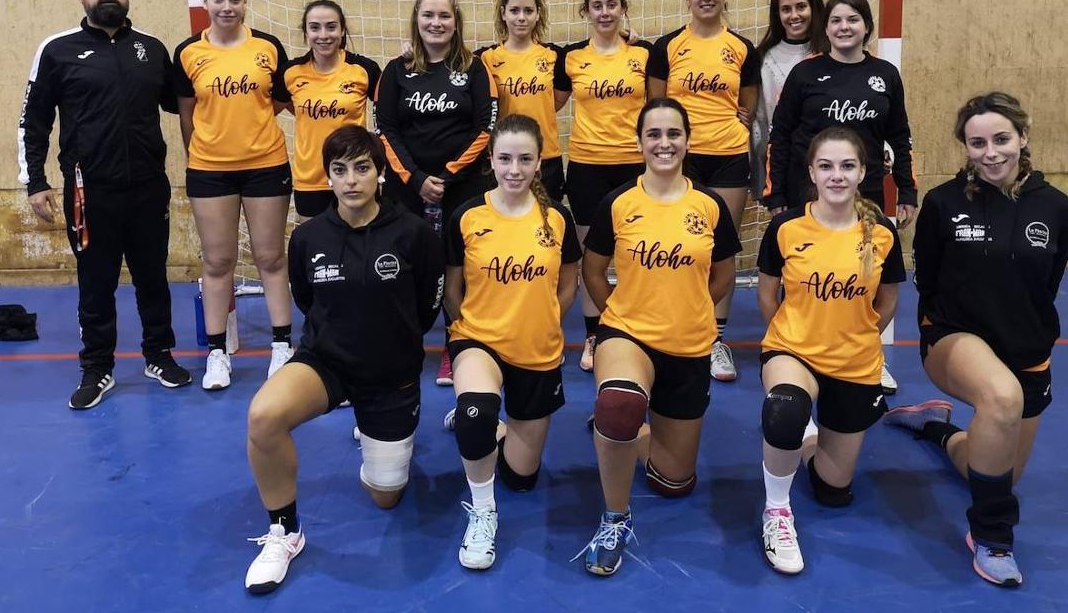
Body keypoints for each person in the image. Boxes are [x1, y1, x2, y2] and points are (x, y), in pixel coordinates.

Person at [243, 124, 444, 595]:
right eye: (339, 170)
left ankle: (378, 438)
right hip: (327, 363)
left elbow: (427, 307)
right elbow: (308, 301)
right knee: (263, 417)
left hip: (391, 374)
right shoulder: (308, 238)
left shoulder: (414, 234)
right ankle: (284, 531)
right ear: (327, 177)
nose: (351, 180)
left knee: (385, 496)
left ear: (380, 174)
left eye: (361, 168)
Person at [883, 92, 1068, 588]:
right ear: (965, 147)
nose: (991, 153)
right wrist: (950, 328)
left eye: (1001, 139)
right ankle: (992, 538)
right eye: (977, 143)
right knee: (1001, 397)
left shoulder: (1057, 206)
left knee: (990, 472)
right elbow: (928, 278)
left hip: (1026, 351)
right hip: (953, 336)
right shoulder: (944, 203)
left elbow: (1047, 283)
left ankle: (934, 428)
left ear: (1022, 137)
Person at [576, 98, 740, 576]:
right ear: (640, 143)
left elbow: (725, 274)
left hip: (689, 344)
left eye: (673, 134)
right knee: (620, 403)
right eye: (654, 134)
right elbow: (592, 270)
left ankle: (624, 429)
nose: (664, 143)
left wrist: (691, 310)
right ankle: (615, 517)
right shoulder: (619, 203)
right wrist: (617, 312)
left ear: (688, 141)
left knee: (674, 482)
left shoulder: (708, 205)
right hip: (627, 334)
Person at [20, 0, 190, 410]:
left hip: (149, 187)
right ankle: (97, 368)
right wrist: (35, 181)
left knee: (153, 277)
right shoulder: (57, 50)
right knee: (96, 284)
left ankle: (159, 356)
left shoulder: (151, 48)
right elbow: (33, 121)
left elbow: (185, 103)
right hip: (88, 192)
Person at [755, 126, 905, 574]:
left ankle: (809, 435)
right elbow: (766, 293)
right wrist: (789, 334)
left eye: (846, 166)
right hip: (793, 351)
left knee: (832, 488)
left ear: (862, 172)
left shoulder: (881, 233)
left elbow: (889, 299)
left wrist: (860, 335)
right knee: (784, 408)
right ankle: (776, 510)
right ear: (812, 173)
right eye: (826, 166)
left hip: (854, 361)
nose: (836, 175)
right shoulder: (786, 227)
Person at [443, 114, 582, 570]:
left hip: (537, 348)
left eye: (525, 159)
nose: (514, 170)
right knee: (477, 413)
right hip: (478, 339)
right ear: (491, 159)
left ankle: (494, 426)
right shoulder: (468, 215)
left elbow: (568, 283)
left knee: (521, 477)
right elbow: (453, 289)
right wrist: (470, 328)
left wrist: (544, 319)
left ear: (540, 162)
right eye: (505, 159)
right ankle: (483, 511)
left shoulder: (556, 218)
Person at [174, 0, 294, 388]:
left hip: (266, 165)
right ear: (206, 2)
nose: (227, 7)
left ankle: (282, 346)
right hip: (210, 171)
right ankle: (216, 354)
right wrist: (203, 152)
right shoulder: (189, 52)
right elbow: (187, 114)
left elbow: (279, 100)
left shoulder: (268, 47)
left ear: (245, 2)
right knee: (218, 261)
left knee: (271, 257)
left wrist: (250, 126)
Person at [376, 0, 497, 387]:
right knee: (404, 265)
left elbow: (486, 128)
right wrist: (415, 179)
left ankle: (456, 343)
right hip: (407, 188)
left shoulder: (474, 68)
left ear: (456, 21)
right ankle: (404, 343)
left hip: (461, 187)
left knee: (460, 267)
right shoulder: (396, 70)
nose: (436, 22)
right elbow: (385, 129)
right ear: (416, 19)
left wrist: (446, 176)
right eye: (428, 14)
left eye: (444, 15)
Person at [647, 0, 761, 383]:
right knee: (682, 245)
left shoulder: (741, 48)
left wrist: (735, 122)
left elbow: (746, 106)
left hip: (729, 156)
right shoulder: (668, 47)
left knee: (720, 249)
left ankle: (715, 339)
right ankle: (676, 326)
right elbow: (657, 107)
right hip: (684, 160)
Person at [555, 0, 651, 372]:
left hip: (635, 167)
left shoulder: (644, 53)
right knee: (591, 259)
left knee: (634, 255)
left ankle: (634, 329)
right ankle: (594, 335)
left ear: (623, 8)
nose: (605, 12)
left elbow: (662, 103)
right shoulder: (571, 58)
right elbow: (544, 102)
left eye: (612, 4)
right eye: (597, 5)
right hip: (586, 168)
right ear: (586, 11)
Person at [763, 0, 917, 225]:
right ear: (826, 28)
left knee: (865, 248)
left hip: (867, 191)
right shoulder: (804, 73)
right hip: (808, 191)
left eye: (853, 19)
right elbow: (780, 136)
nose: (844, 27)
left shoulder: (886, 74)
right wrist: (776, 194)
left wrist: (907, 191)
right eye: (835, 21)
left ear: (867, 26)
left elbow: (900, 137)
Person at [280, 0, 381, 223]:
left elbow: (387, 114)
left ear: (342, 30)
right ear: (306, 32)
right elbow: (279, 105)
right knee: (317, 242)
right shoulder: (291, 72)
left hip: (354, 177)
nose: (323, 35)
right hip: (311, 180)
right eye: (315, 27)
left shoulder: (364, 69)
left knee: (361, 240)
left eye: (331, 27)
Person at [475, 0, 567, 201]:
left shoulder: (555, 56)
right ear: (503, 13)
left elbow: (556, 100)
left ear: (538, 14)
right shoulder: (485, 58)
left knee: (547, 217)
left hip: (546, 157)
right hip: (505, 159)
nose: (521, 17)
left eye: (528, 10)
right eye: (514, 10)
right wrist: (412, 49)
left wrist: (625, 36)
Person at [752, 0, 825, 201]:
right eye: (786, 9)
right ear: (777, 14)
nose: (794, 15)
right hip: (788, 169)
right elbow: (761, 123)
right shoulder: (764, 59)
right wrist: (764, 180)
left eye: (801, 6)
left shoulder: (833, 53)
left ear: (814, 7)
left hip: (831, 166)